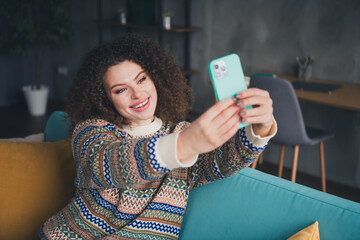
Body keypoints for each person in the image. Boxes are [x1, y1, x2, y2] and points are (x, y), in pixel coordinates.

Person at [39, 33, 276, 240]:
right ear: (104, 99)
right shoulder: (91, 131)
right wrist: (184, 144)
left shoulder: (180, 132)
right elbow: (110, 163)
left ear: (156, 77)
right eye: (120, 90)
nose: (138, 93)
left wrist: (260, 128)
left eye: (141, 79)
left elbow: (220, 163)